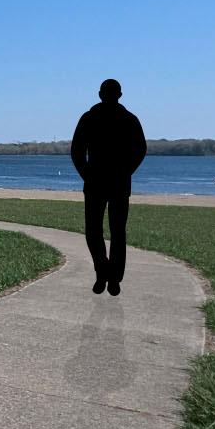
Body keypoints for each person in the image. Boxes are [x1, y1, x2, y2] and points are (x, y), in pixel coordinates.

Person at [69, 78, 146, 296]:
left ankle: (109, 275)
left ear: (101, 94)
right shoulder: (120, 119)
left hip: (108, 182)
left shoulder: (99, 118)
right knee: (110, 231)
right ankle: (107, 273)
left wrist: (89, 174)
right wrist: (123, 172)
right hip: (108, 182)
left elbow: (140, 149)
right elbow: (77, 151)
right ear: (118, 95)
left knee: (102, 231)